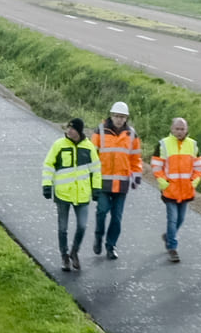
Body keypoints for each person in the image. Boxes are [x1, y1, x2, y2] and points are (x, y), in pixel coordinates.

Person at [41, 116, 101, 272]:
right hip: (63, 194)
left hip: (82, 194)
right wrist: (47, 185)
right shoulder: (58, 145)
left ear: (79, 131)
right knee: (62, 228)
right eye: (68, 127)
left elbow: (96, 170)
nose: (69, 130)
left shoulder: (89, 148)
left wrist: (96, 189)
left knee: (82, 226)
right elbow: (48, 165)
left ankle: (74, 252)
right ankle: (64, 256)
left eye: (72, 128)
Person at [90, 100, 142, 260]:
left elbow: (136, 158)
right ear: (111, 116)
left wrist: (136, 176)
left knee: (117, 217)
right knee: (101, 212)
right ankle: (98, 237)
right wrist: (91, 178)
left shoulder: (132, 134)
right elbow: (92, 155)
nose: (119, 119)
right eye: (116, 116)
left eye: (122, 117)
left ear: (126, 118)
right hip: (103, 181)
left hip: (122, 183)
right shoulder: (100, 131)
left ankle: (111, 246)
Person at [150, 116, 201, 263]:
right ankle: (172, 247)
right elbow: (156, 166)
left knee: (180, 219)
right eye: (177, 129)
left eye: (182, 129)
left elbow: (199, 167)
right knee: (172, 219)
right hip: (170, 190)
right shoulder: (163, 144)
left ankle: (168, 236)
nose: (180, 131)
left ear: (187, 130)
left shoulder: (193, 145)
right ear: (171, 129)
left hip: (186, 190)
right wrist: (164, 183)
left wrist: (193, 183)